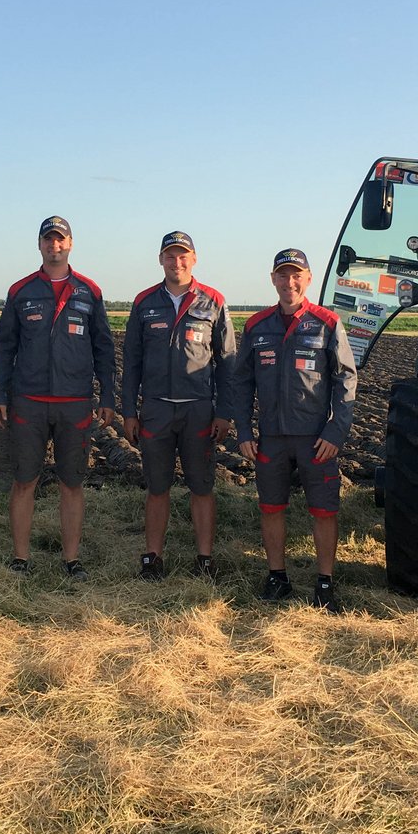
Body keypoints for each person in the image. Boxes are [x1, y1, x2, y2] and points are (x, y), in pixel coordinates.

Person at [232, 248, 358, 611]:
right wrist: (244, 431)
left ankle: (324, 583)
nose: (290, 282)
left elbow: (346, 380)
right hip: (271, 438)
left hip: (316, 439)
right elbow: (242, 383)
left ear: (308, 279)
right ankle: (277, 578)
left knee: (324, 510)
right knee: (271, 507)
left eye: (296, 275)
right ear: (273, 279)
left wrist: (336, 432)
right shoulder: (256, 326)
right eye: (283, 275)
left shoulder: (327, 323)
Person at [0, 216, 116, 580]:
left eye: (60, 239)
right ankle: (20, 559)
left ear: (70, 244)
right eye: (48, 239)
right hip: (28, 401)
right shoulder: (21, 291)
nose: (54, 245)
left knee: (72, 483)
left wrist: (107, 395)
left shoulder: (89, 291)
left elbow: (104, 348)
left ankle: (71, 560)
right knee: (24, 481)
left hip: (74, 402)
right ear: (40, 245)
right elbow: (4, 348)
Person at [122, 231, 236, 581]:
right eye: (170, 256)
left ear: (194, 259)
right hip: (156, 410)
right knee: (157, 487)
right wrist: (129, 411)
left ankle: (205, 559)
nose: (177, 262)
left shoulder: (213, 301)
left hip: (198, 410)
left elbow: (228, 362)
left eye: (183, 255)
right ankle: (153, 558)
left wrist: (224, 412)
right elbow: (132, 362)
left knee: (201, 487)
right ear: (160, 260)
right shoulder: (144, 302)